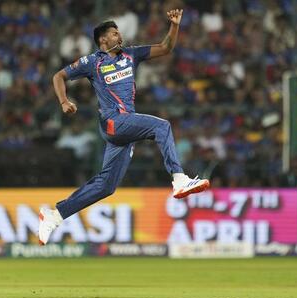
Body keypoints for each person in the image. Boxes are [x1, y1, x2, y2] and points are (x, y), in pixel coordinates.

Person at [39, 9, 210, 245]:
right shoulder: (93, 62)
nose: (120, 36)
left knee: (106, 186)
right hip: (113, 121)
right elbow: (58, 76)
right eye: (114, 33)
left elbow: (166, 47)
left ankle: (54, 215)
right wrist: (64, 101)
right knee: (162, 126)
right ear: (103, 40)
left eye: (119, 32)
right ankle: (179, 178)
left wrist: (174, 25)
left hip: (124, 128)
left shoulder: (131, 55)